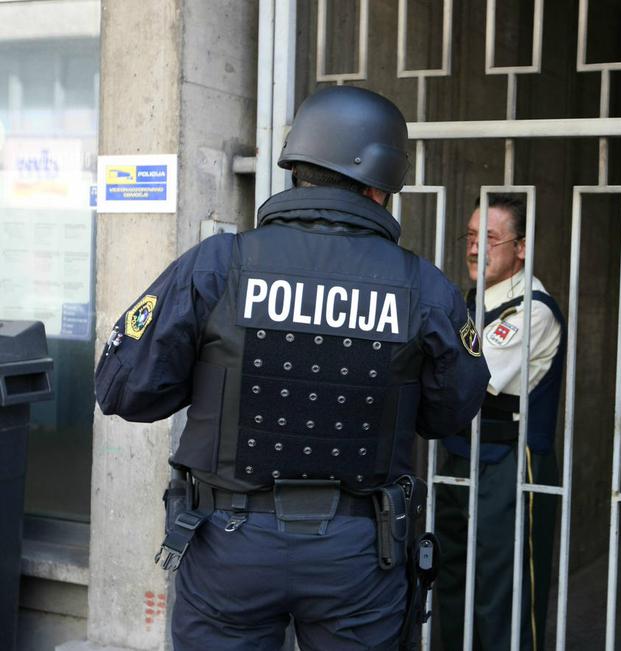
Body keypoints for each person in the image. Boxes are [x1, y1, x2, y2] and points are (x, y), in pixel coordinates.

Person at [94, 86, 490, 651]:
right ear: (380, 185)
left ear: (297, 169)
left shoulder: (219, 266)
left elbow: (124, 390)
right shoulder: (423, 287)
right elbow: (451, 413)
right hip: (359, 553)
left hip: (229, 545)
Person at [435, 194, 565, 651]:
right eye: (471, 237)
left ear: (521, 247)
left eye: (489, 238)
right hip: (459, 454)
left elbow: (471, 376)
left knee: (501, 591)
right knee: (451, 578)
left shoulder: (532, 310)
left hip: (511, 464)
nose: (475, 248)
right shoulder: (471, 302)